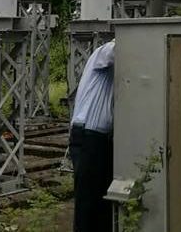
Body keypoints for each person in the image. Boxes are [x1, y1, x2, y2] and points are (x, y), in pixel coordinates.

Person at [69, 40, 116, 232]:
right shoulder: (103, 53)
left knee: (102, 200)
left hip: (100, 138)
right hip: (89, 135)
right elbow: (120, 47)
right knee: (88, 202)